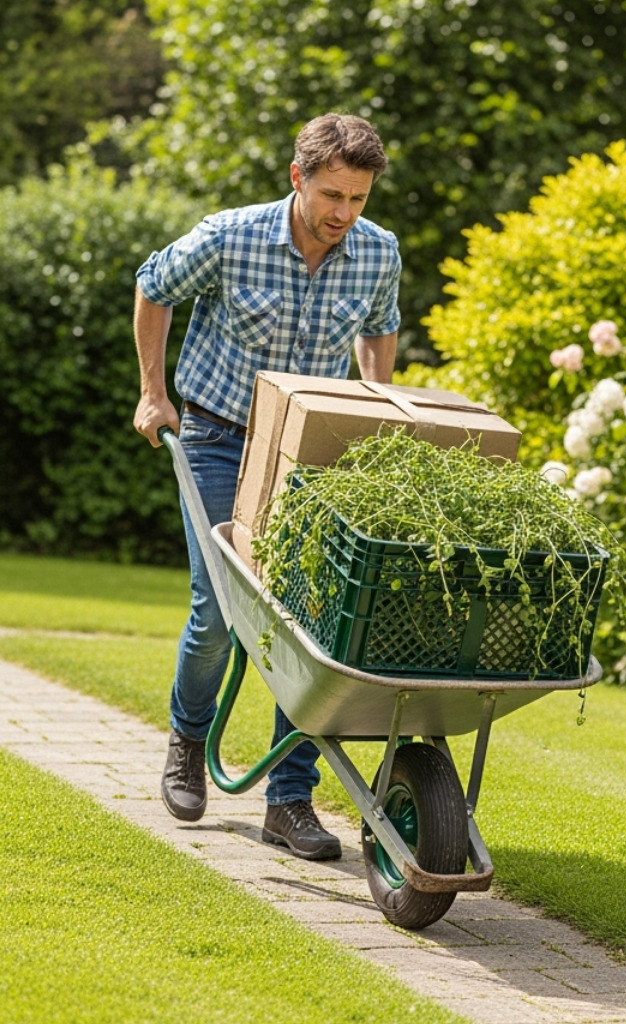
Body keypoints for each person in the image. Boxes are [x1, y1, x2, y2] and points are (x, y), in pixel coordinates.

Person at [133, 113, 401, 859]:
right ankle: (188, 742)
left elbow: (379, 327)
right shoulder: (230, 236)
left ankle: (288, 802)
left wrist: (376, 401)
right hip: (218, 437)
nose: (344, 214)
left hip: (312, 451)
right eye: (332, 195)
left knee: (313, 624)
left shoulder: (377, 252)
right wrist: (154, 392)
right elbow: (153, 287)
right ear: (298, 177)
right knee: (221, 610)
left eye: (359, 198)